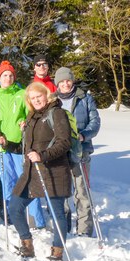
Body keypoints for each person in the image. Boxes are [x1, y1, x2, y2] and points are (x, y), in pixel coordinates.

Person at [8, 82, 72, 260]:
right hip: (32, 172)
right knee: (14, 207)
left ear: (47, 95)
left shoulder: (57, 113)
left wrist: (42, 156)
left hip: (54, 170)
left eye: (39, 96)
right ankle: (27, 245)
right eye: (32, 98)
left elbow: (64, 142)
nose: (36, 100)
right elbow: (26, 147)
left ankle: (57, 251)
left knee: (57, 213)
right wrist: (6, 143)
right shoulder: (31, 116)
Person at [0, 61, 45, 228]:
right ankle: (13, 216)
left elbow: (33, 114)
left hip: (20, 146)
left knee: (27, 182)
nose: (7, 78)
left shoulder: (22, 94)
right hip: (1, 147)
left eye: (10, 75)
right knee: (8, 183)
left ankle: (37, 220)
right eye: (4, 75)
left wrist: (26, 123)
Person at [54, 67, 101, 237]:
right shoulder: (52, 100)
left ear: (72, 81)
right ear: (57, 83)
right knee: (62, 191)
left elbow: (95, 123)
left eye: (68, 80)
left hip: (81, 151)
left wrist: (84, 135)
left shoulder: (85, 98)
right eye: (62, 81)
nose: (66, 84)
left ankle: (84, 230)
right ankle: (63, 226)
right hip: (60, 153)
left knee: (82, 192)